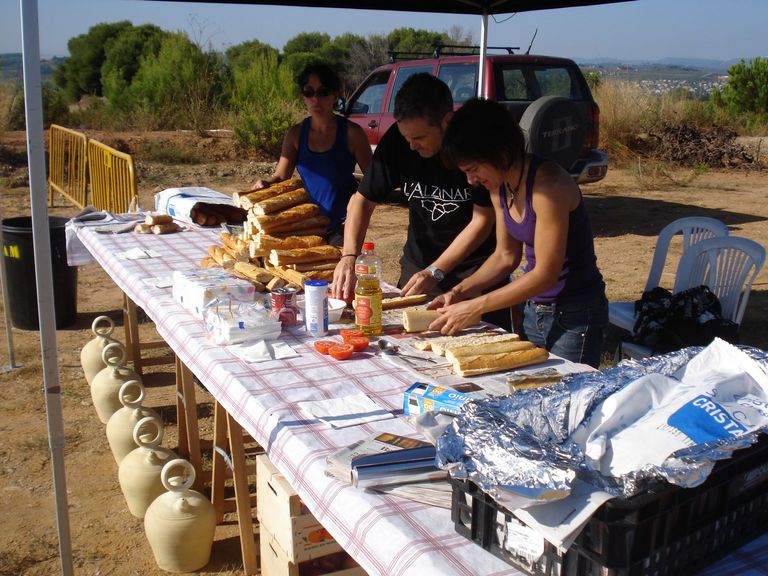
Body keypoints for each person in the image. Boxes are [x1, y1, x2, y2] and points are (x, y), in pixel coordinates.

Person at [428, 98, 608, 368]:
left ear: (500, 152)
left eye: (473, 169)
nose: (470, 180)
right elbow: (505, 256)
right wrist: (458, 292)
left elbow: (545, 274)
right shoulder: (499, 186)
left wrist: (477, 306)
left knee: (569, 391)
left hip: (575, 314)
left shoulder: (548, 186)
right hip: (533, 309)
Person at [331, 73, 511, 331]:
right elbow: (362, 200)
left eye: (419, 138)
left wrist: (437, 270)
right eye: (406, 138)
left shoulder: (472, 148)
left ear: (446, 121)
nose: (411, 146)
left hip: (474, 276)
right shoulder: (400, 139)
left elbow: (482, 220)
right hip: (418, 270)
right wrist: (349, 255)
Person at [252, 64, 371, 245]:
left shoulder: (352, 133)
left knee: (342, 265)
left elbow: (373, 180)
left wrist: (357, 209)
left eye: (323, 92)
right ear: (303, 96)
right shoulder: (296, 134)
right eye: (309, 92)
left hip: (343, 226)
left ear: (335, 95)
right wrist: (265, 183)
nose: (315, 99)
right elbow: (281, 177)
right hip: (306, 225)